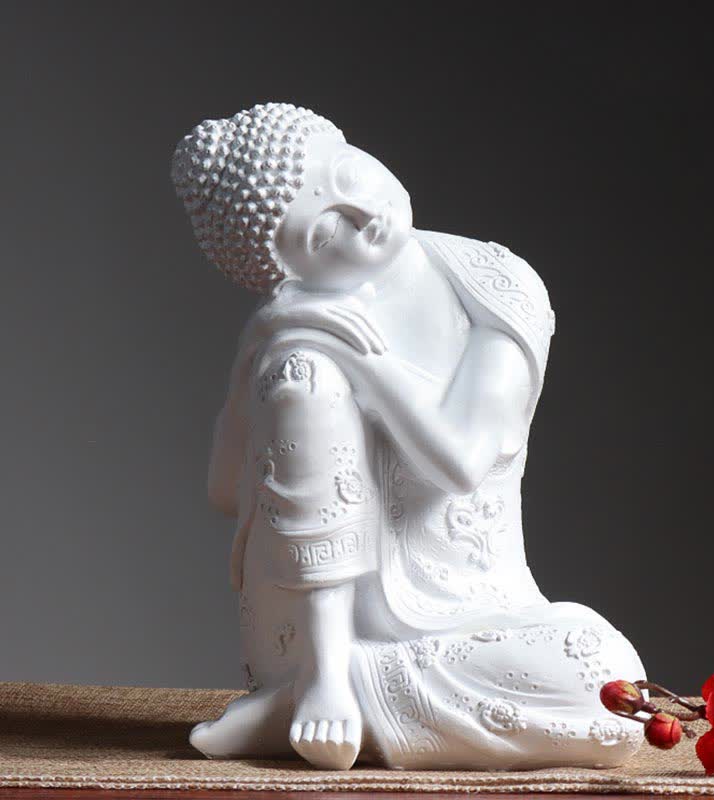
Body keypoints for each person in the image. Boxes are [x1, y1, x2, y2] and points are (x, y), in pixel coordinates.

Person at [172, 103, 646, 771]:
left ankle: (310, 702)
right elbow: (226, 493)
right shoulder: (296, 339)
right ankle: (321, 679)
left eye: (348, 174)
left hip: (476, 611)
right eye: (324, 230)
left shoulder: (495, 282)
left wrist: (366, 359)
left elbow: (460, 461)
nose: (363, 213)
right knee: (304, 375)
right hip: (310, 624)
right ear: (289, 273)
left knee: (610, 690)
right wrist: (255, 350)